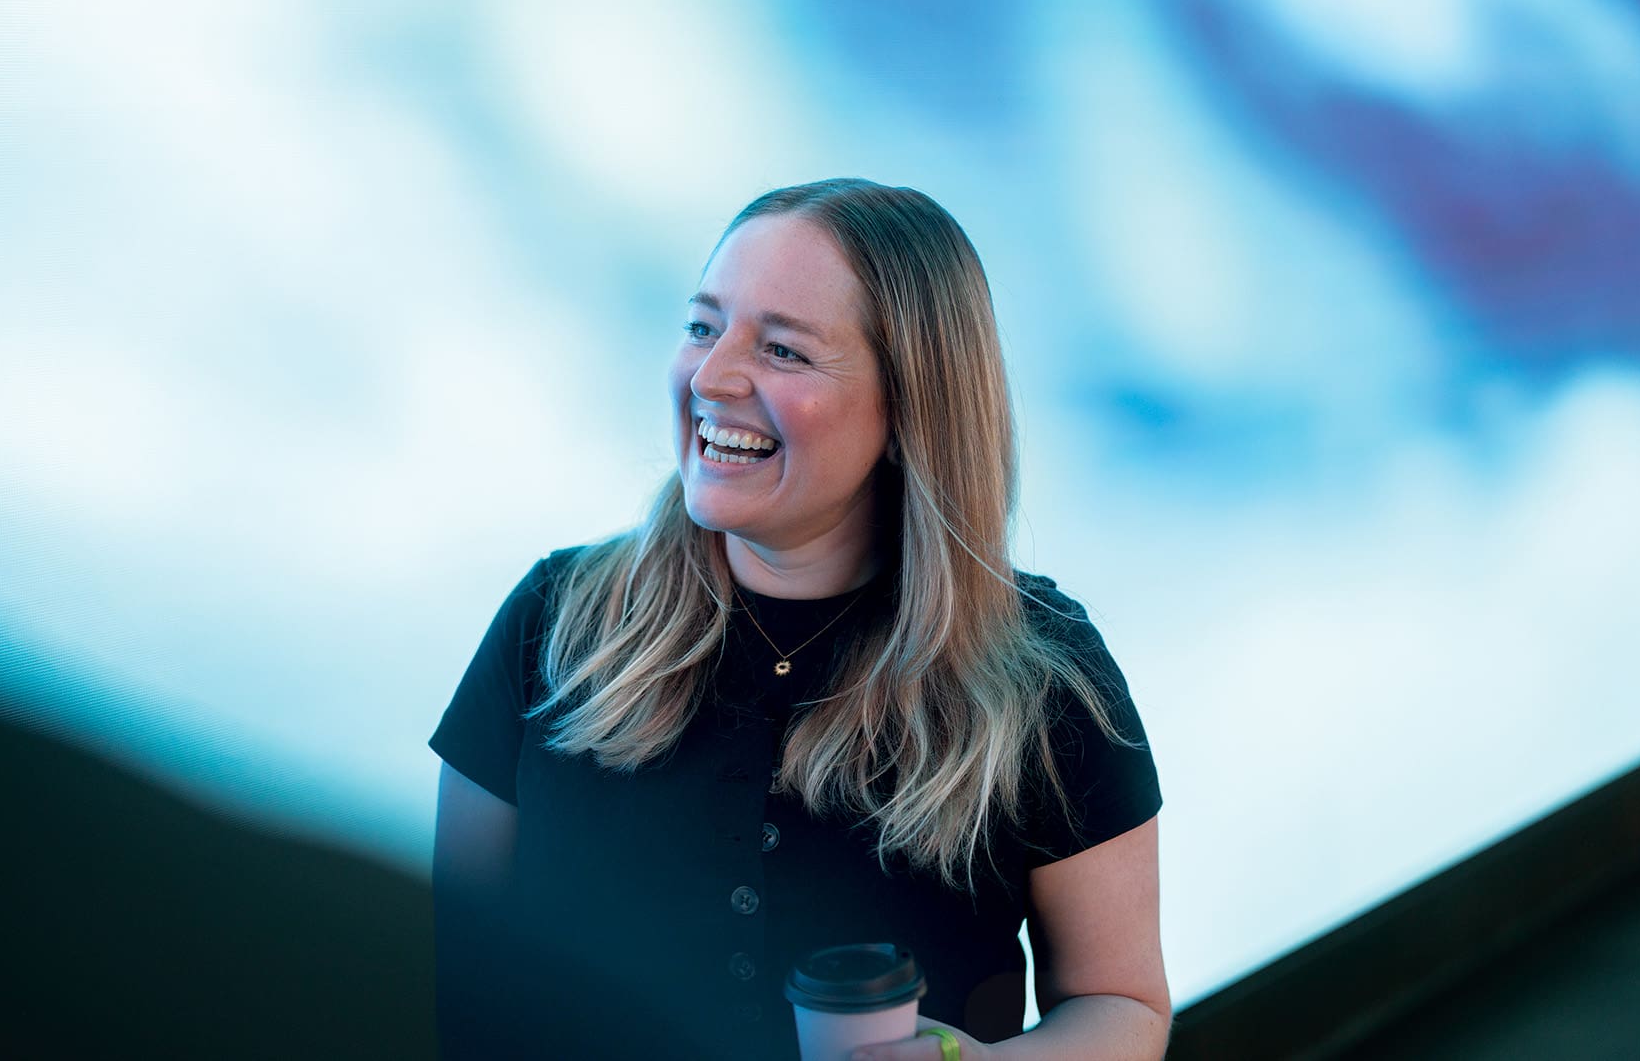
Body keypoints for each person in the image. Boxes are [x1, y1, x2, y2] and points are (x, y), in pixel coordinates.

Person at [431, 179, 1169, 1060]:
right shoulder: (552, 622)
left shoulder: (1042, 670)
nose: (712, 376)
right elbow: (449, 971)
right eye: (704, 326)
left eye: (782, 350)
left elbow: (1122, 1003)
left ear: (910, 408)